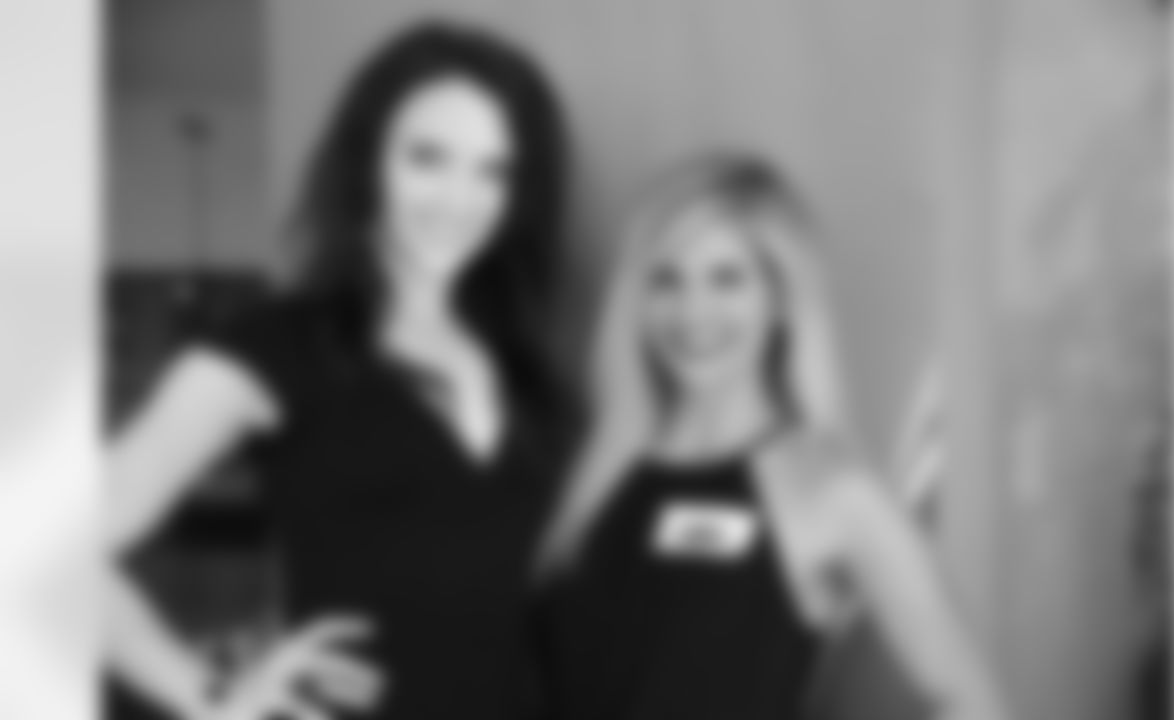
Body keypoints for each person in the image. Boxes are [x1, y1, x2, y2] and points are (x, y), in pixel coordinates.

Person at [106, 20, 572, 720]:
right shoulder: (275, 347)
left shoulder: (528, 365)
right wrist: (211, 697)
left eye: (494, 170)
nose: (459, 198)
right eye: (428, 158)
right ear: (367, 160)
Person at [534, 155, 1010, 720]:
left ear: (781, 299)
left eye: (727, 279)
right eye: (665, 279)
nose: (693, 311)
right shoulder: (592, 478)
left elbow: (973, 703)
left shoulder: (829, 489)